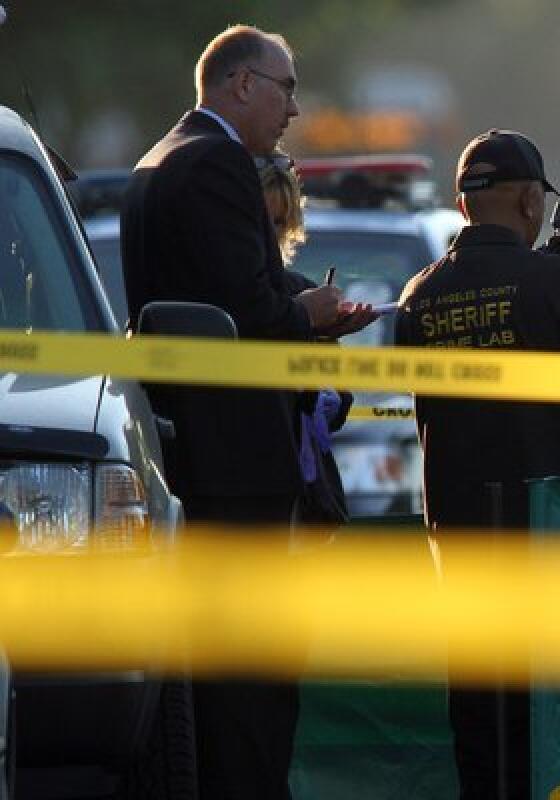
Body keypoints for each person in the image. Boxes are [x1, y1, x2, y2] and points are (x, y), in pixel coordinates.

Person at [120, 25, 370, 798]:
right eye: (287, 87)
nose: (295, 108)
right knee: (254, 673)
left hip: (193, 453)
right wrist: (315, 314)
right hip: (238, 462)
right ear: (240, 85)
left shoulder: (156, 161)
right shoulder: (217, 161)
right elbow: (249, 309)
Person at [394, 129, 560, 799]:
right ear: (529, 201)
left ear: (462, 205)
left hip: (466, 542)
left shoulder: (419, 296)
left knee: (483, 721)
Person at [257, 150, 354, 527]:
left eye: (280, 223)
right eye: (265, 223)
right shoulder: (241, 299)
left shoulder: (305, 293)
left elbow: (342, 401)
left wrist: (326, 396)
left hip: (309, 496)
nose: (273, 235)